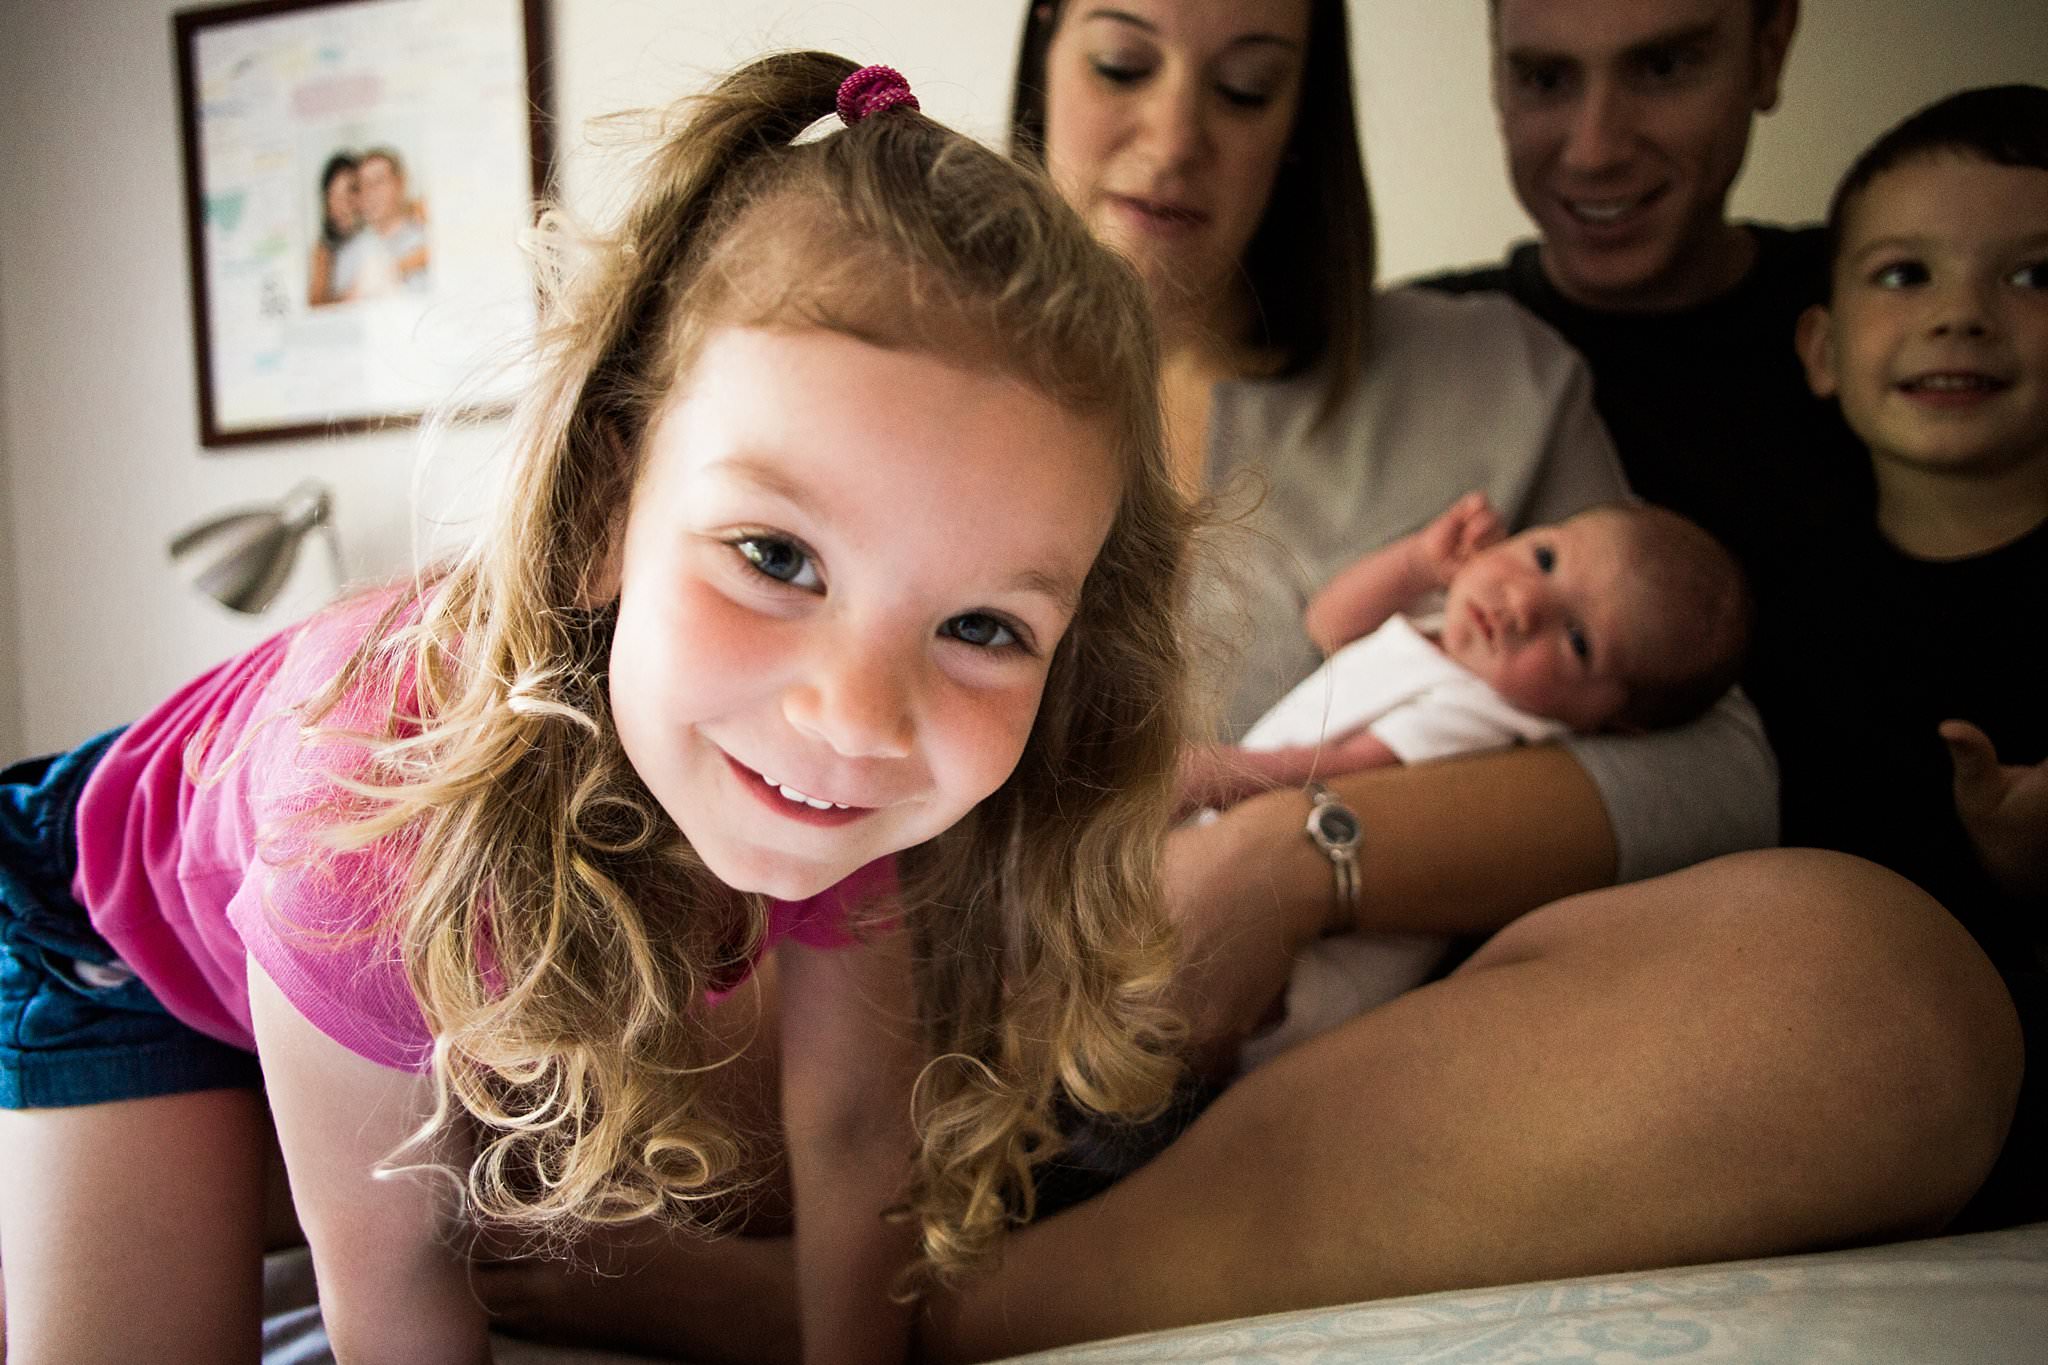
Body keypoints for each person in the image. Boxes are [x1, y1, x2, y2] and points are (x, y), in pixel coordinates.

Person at [469, 5, 2020, 1362]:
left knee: (1885, 998)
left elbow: (1710, 764)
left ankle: (926, 1310)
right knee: (539, 1036)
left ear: (1308, 123)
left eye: (1248, 83)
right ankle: (814, 1249)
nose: (1172, 136)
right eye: (1125, 60)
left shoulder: (1491, 373)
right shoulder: (849, 373)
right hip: (895, 1022)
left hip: (1332, 1085)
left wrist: (1296, 864)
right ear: (1045, 59)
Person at [0, 53, 1199, 1364]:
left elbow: (855, 1131)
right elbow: (398, 1284)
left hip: (355, 975)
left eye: (981, 628)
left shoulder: (820, 772)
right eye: (777, 556)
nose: (861, 715)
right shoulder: (364, 806)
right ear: (596, 511)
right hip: (112, 943)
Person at [1766, 83, 2048, 1227]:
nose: (1960, 316)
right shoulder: (1774, 603)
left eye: (2033, 277)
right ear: (1820, 349)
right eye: (1903, 275)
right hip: (1825, 1099)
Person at [1192, 494, 1750, 1069]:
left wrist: (1208, 774)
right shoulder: (1448, 621)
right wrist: (1418, 564)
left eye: (1578, 640)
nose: (1525, 602)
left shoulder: (1487, 721)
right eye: (1546, 558)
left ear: (1606, 721)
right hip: (1243, 844)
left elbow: (1327, 775)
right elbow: (1329, 622)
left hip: (1292, 978)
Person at [1425, 0, 1875, 606]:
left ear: (1768, 53)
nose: (1594, 151)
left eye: (1663, 67)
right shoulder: (1401, 357)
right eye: (1546, 79)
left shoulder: (1904, 320)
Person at [331, 145, 430, 300]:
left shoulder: (427, 236)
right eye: (363, 184)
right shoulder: (349, 253)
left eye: (378, 181)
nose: (370, 192)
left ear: (400, 183)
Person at [306, 151, 360, 308]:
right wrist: (354, 296)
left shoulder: (371, 233)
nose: (343, 205)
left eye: (350, 191)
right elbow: (316, 306)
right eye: (334, 196)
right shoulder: (324, 251)